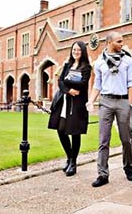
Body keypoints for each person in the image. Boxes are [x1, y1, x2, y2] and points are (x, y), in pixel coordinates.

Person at [86, 32, 132, 187]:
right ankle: (102, 174)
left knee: (126, 139)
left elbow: (131, 83)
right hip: (105, 102)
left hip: (122, 101)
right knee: (103, 140)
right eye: (119, 41)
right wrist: (91, 101)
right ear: (109, 42)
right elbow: (97, 85)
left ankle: (128, 167)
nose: (122, 43)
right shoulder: (100, 62)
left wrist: (129, 104)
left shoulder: (127, 60)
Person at [48, 41, 92, 177]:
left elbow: (83, 84)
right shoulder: (67, 65)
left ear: (83, 51)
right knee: (61, 130)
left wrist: (67, 82)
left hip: (77, 104)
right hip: (65, 101)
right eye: (74, 49)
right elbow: (60, 81)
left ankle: (73, 163)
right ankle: (69, 157)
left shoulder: (86, 67)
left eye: (78, 50)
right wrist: (68, 90)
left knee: (75, 133)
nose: (76, 52)